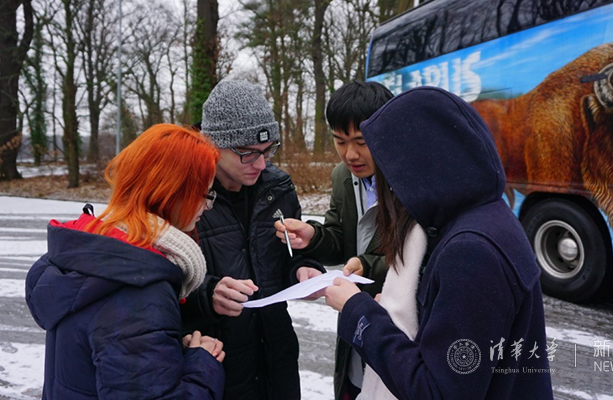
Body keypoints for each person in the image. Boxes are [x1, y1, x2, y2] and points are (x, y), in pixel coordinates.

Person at [324, 86, 554, 399]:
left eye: (390, 170)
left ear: (419, 162)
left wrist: (359, 312)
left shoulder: (472, 253)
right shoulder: (482, 218)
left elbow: (436, 390)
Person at [25, 124, 226, 400]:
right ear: (171, 191)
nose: (207, 206)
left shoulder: (97, 253)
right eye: (204, 194)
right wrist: (202, 363)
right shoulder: (138, 287)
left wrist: (167, 350)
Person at [181, 80, 325, 400]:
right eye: (247, 154)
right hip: (216, 365)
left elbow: (289, 256)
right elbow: (159, 282)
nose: (261, 164)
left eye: (268, 150)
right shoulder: (184, 196)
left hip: (277, 358)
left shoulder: (278, 187)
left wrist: (304, 269)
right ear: (213, 144)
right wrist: (207, 295)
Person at [274, 81, 393, 399]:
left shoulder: (409, 180)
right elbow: (341, 239)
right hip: (354, 318)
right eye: (340, 141)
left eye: (361, 142)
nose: (350, 154)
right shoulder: (343, 176)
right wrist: (313, 236)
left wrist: (367, 265)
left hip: (398, 322)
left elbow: (421, 256)